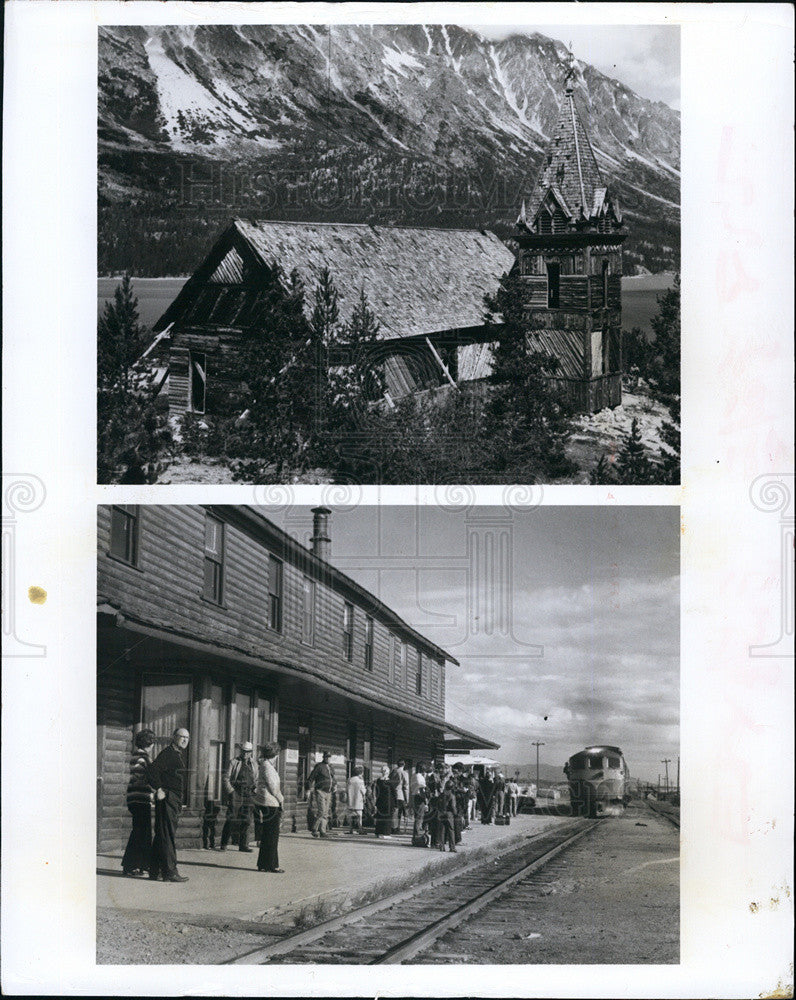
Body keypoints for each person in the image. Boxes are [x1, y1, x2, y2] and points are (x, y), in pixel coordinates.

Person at [148, 728, 190, 882]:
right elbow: (152, 770)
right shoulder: (168, 754)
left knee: (162, 833)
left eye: (187, 737)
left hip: (173, 798)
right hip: (168, 798)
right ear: (174, 738)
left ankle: (155, 870)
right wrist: (158, 788)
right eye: (181, 737)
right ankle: (170, 872)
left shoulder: (177, 754)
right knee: (167, 834)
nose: (185, 740)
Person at [121, 728, 156, 877]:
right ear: (150, 743)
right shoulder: (142, 757)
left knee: (143, 832)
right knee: (140, 832)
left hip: (136, 798)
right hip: (139, 799)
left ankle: (141, 865)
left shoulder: (137, 755)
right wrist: (154, 789)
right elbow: (142, 778)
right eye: (152, 742)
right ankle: (130, 865)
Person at [253, 742, 284, 873]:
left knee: (267, 835)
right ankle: (271, 865)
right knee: (272, 835)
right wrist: (281, 800)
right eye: (277, 755)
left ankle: (263, 864)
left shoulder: (264, 765)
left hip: (264, 802)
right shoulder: (268, 767)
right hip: (271, 803)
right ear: (274, 755)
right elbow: (274, 788)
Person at [220, 741, 256, 852]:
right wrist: (231, 791)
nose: (245, 754)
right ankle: (224, 843)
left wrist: (255, 789)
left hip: (249, 794)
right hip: (237, 792)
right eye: (244, 751)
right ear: (241, 751)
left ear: (251, 752)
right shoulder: (234, 762)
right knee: (231, 818)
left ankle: (243, 845)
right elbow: (226, 778)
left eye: (248, 752)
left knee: (247, 820)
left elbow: (257, 779)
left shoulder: (254, 764)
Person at [306, 750, 337, 837]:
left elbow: (333, 778)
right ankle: (314, 829)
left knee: (326, 813)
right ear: (324, 758)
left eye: (329, 757)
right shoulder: (319, 766)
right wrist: (308, 789)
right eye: (326, 757)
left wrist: (335, 785)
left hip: (329, 792)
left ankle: (323, 831)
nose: (328, 759)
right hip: (320, 791)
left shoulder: (330, 767)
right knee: (322, 811)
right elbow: (311, 778)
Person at [373, 765, 395, 838]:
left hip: (380, 801)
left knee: (380, 817)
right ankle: (386, 833)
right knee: (388, 817)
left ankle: (378, 832)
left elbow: (376, 791)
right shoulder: (390, 781)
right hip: (388, 801)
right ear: (387, 772)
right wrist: (396, 803)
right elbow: (394, 792)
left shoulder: (378, 781)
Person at [437, 779, 458, 852]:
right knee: (451, 830)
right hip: (449, 814)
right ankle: (452, 847)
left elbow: (438, 804)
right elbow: (453, 806)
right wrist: (455, 813)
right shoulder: (452, 796)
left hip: (441, 813)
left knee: (442, 831)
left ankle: (441, 846)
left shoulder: (441, 795)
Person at [346, 765, 367, 834]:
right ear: (360, 773)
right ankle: (360, 829)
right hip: (358, 800)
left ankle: (351, 829)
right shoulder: (360, 780)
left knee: (351, 815)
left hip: (351, 799)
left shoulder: (350, 779)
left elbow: (347, 789)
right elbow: (363, 791)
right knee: (359, 815)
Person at [410, 763, 428, 839]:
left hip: (414, 796)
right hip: (419, 797)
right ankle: (417, 834)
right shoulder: (420, 777)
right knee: (419, 817)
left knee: (416, 816)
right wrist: (426, 800)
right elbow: (422, 790)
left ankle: (415, 834)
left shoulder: (413, 776)